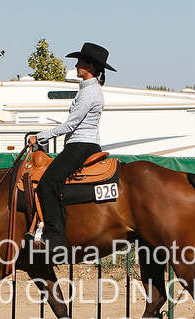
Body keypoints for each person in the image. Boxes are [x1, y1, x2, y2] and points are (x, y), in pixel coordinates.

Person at [33, 42, 116, 251]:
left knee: (47, 183)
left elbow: (71, 125)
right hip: (85, 143)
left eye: (80, 62)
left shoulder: (89, 92)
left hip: (80, 145)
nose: (76, 65)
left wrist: (40, 137)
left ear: (89, 66)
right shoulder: (89, 90)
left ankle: (55, 237)